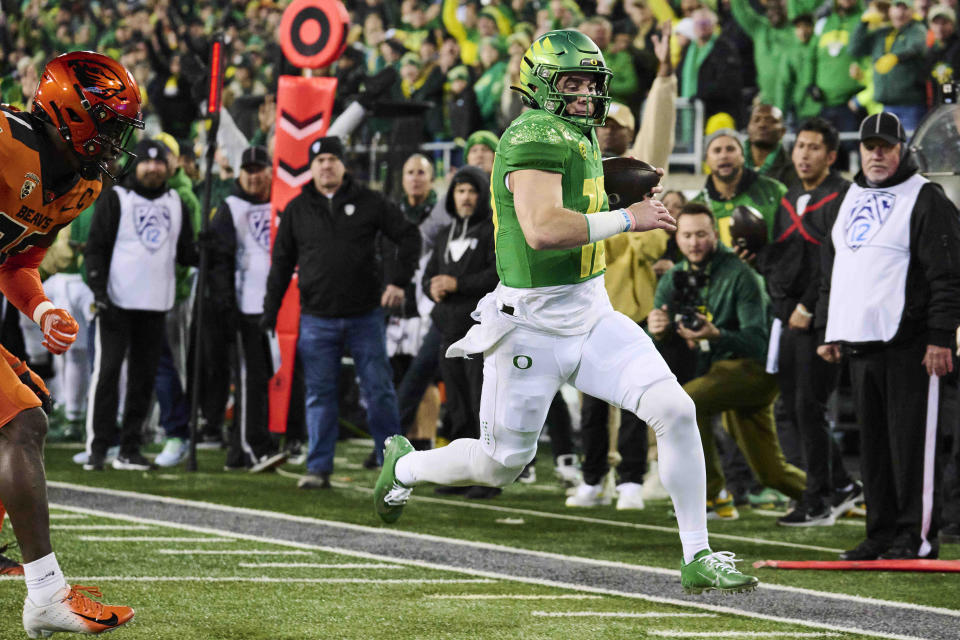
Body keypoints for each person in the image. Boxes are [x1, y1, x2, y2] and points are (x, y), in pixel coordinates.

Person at [374, 29, 758, 594]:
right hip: (529, 324)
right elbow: (544, 228)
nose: (583, 93)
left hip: (591, 310)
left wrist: (614, 189)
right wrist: (630, 218)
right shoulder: (531, 133)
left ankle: (697, 554)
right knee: (498, 465)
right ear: (538, 85)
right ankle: (403, 465)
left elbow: (589, 193)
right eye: (570, 82)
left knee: (675, 410)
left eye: (590, 82)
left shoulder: (576, 135)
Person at [0, 51, 137, 637]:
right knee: (21, 420)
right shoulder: (5, 139)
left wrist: (42, 305)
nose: (117, 141)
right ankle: (47, 593)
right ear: (71, 114)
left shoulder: (81, 184)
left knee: (29, 403)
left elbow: (18, 261)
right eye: (110, 126)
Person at [818, 112, 960, 560]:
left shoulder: (927, 198)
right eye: (869, 146)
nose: (877, 154)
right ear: (859, 150)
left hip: (913, 345)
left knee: (913, 447)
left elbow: (948, 275)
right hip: (861, 344)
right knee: (875, 449)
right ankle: (879, 532)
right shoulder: (850, 195)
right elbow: (834, 268)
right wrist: (831, 326)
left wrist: (940, 336)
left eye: (886, 146)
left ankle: (916, 537)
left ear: (902, 149)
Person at [262, 136, 421, 490]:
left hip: (365, 315)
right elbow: (281, 263)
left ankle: (394, 467)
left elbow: (409, 236)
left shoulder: (370, 201)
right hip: (317, 316)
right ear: (311, 167)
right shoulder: (297, 208)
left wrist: (398, 282)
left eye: (333, 159)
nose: (326, 165)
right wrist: (269, 310)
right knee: (319, 394)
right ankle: (318, 468)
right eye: (319, 160)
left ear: (344, 164)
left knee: (379, 390)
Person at [649, 203, 807, 520]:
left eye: (702, 235)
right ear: (677, 239)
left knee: (685, 402)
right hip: (718, 373)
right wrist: (656, 330)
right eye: (688, 235)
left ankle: (711, 496)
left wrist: (716, 334)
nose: (694, 242)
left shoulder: (741, 274)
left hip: (754, 370)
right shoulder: (674, 278)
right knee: (770, 472)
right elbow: (660, 339)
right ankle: (829, 494)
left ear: (714, 235)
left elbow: (758, 341)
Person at [757, 118, 861, 526]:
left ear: (832, 155)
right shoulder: (791, 195)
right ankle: (840, 486)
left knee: (809, 405)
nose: (803, 154)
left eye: (814, 147)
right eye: (800, 145)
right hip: (790, 318)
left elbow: (839, 262)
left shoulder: (844, 196)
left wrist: (812, 307)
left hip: (824, 319)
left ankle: (818, 498)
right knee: (797, 408)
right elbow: (788, 258)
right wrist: (759, 257)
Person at [83, 138, 199, 472]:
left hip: (155, 303)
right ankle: (99, 446)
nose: (153, 168)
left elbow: (183, 251)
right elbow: (97, 248)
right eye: (147, 162)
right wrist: (99, 290)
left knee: (143, 380)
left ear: (169, 166)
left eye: (159, 162)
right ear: (139, 165)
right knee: (107, 374)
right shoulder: (117, 197)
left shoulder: (177, 201)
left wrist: (204, 248)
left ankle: (130, 448)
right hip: (116, 302)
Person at [208, 146, 288, 473]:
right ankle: (249, 447)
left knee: (268, 377)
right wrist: (226, 305)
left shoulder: (283, 203)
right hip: (245, 307)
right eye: (249, 170)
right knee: (249, 379)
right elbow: (219, 262)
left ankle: (254, 445)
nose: (254, 176)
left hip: (280, 306)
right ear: (239, 174)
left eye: (260, 169)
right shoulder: (230, 208)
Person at [423, 165, 499, 498]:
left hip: (480, 332)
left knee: (481, 403)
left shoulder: (492, 232)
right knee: (455, 404)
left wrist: (458, 284)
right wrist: (433, 289)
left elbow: (498, 276)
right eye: (460, 191)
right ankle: (461, 474)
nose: (465, 198)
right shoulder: (443, 234)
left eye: (471, 191)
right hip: (449, 331)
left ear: (482, 196)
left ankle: (489, 477)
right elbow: (429, 275)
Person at [692, 129, 788, 248]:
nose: (724, 155)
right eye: (717, 151)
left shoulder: (775, 191)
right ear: (706, 160)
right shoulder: (697, 206)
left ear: (743, 156)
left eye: (730, 149)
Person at [849, 0, 928, 131]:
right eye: (897, 7)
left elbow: (917, 47)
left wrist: (896, 57)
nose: (901, 13)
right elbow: (854, 49)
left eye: (905, 8)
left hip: (911, 106)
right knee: (889, 148)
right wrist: (863, 23)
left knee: (909, 148)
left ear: (912, 11)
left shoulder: (917, 29)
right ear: (890, 10)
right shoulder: (881, 34)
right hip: (885, 105)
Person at [743, 104, 799, 188]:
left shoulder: (793, 170)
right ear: (748, 128)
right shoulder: (731, 162)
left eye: (769, 120)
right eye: (756, 120)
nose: (762, 125)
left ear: (782, 132)